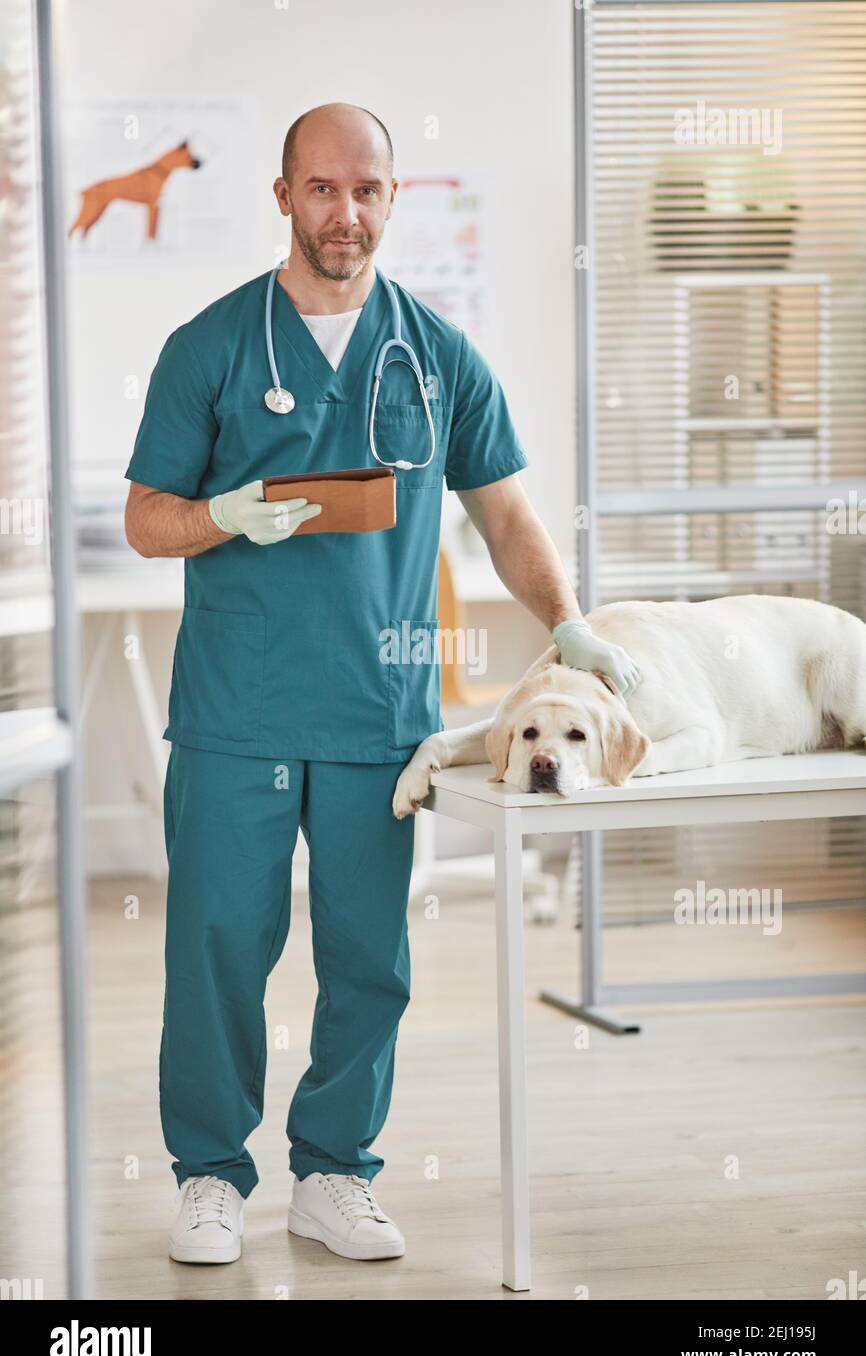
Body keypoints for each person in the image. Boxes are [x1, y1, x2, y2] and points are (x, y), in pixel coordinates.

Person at [123, 101, 642, 1267]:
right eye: (320, 188)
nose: (343, 212)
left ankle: (333, 1174)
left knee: (368, 958)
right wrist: (221, 517)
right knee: (216, 946)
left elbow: (504, 514)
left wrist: (570, 625)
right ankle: (210, 1174)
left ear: (391, 200)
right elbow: (145, 518)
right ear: (283, 196)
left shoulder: (436, 353)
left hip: (377, 713)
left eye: (365, 190)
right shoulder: (207, 346)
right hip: (236, 709)